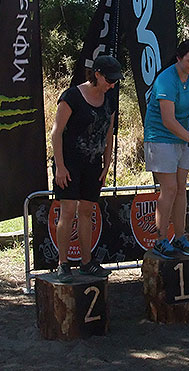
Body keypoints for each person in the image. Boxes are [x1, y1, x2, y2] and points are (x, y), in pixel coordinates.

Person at [51, 55, 123, 282]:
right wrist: (60, 167)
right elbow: (56, 133)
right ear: (97, 74)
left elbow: (109, 132)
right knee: (68, 210)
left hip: (94, 163)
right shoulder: (71, 96)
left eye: (115, 81)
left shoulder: (110, 98)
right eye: (109, 79)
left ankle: (86, 262)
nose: (111, 85)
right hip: (70, 162)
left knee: (87, 212)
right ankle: (63, 264)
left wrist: (107, 162)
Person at [144, 40, 189, 259]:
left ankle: (180, 237)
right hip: (161, 138)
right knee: (169, 188)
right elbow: (168, 120)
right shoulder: (165, 79)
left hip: (183, 137)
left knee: (182, 187)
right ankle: (161, 239)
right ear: (179, 58)